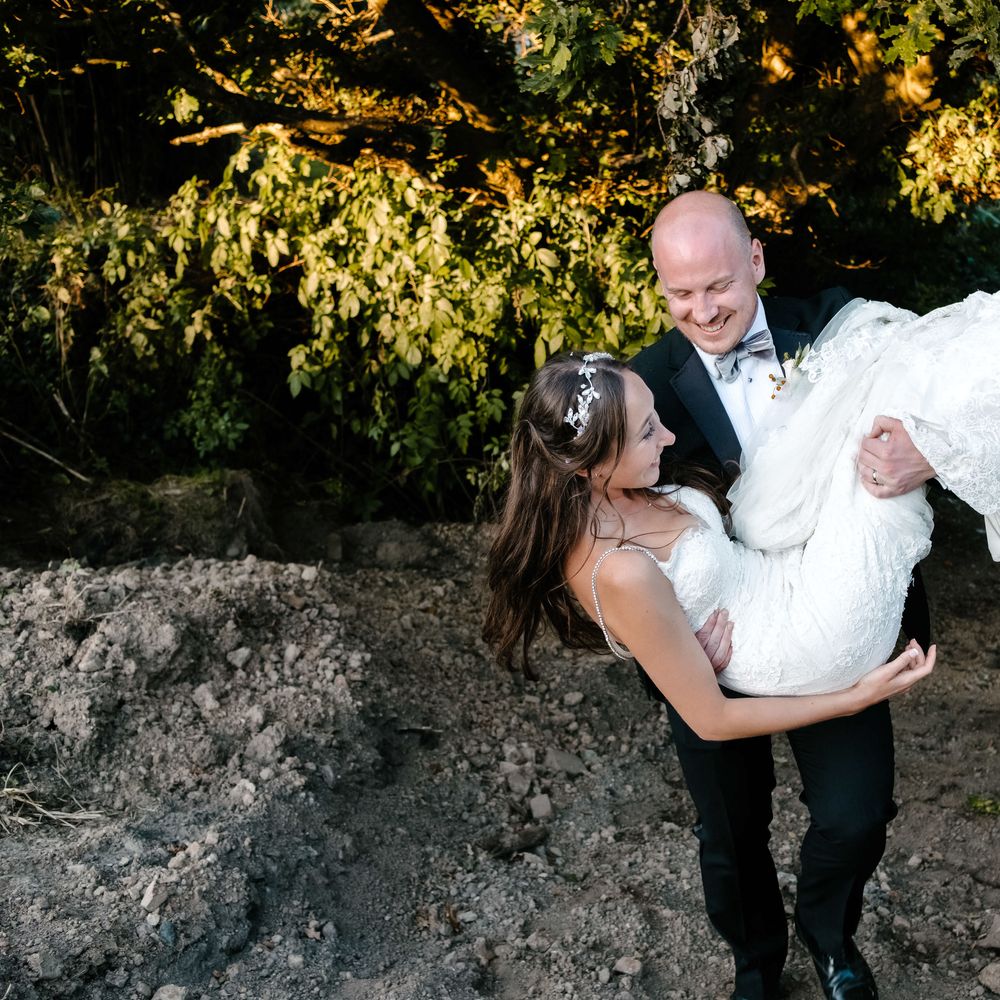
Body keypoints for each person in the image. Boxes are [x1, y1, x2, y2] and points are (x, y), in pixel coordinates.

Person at [486, 192, 998, 999]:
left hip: (832, 612)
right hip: (711, 656)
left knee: (858, 815)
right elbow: (610, 545)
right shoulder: (638, 389)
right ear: (659, 288)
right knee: (729, 830)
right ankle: (755, 963)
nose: (703, 310)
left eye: (718, 285)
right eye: (680, 294)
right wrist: (675, 651)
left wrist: (924, 454)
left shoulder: (835, 324)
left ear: (756, 260)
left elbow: (945, 382)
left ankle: (831, 939)